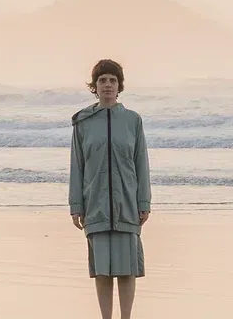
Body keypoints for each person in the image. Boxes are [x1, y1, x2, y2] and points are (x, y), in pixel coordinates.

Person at [69, 59, 153, 319]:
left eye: (113, 80)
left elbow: (141, 163)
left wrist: (144, 202)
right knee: (102, 270)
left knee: (127, 269)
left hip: (127, 203)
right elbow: (77, 166)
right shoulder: (83, 123)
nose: (107, 84)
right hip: (94, 203)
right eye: (102, 80)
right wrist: (76, 205)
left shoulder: (132, 120)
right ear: (94, 86)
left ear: (119, 86)